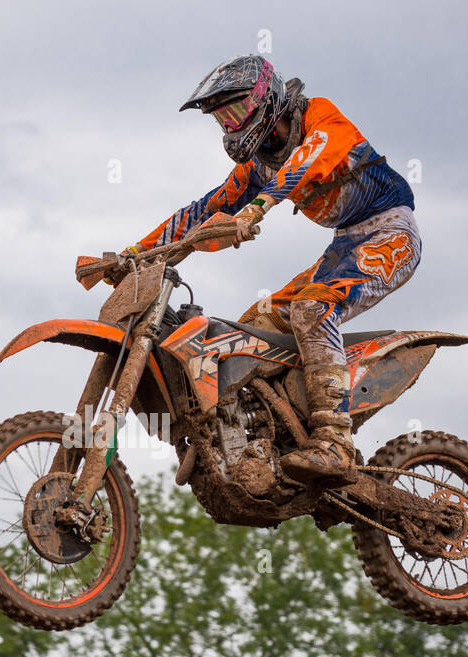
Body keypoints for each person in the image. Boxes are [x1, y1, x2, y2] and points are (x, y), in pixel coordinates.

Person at [126, 54, 420, 487]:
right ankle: (272, 436)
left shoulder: (319, 116)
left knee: (312, 310)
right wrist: (135, 254)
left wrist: (260, 206)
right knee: (251, 325)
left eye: (235, 111)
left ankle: (334, 443)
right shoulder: (258, 165)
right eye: (221, 118)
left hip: (390, 234)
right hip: (343, 246)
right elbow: (204, 208)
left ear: (265, 98)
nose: (229, 124)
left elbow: (310, 158)